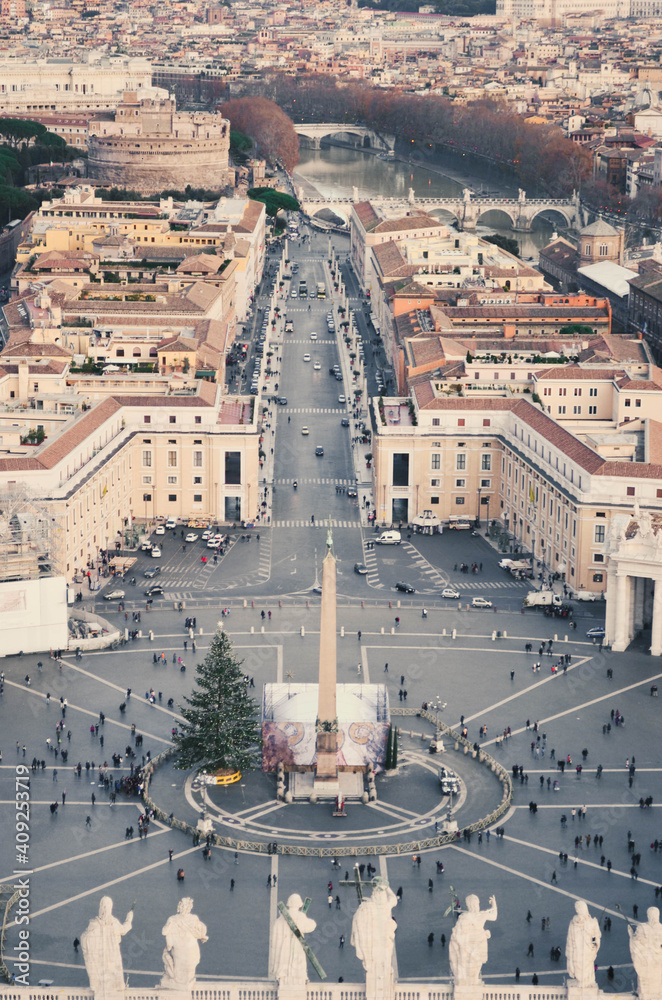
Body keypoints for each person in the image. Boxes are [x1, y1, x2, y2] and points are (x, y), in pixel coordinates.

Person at [351, 880, 398, 1000]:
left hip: (374, 945)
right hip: (382, 944)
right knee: (384, 964)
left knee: (377, 966)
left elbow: (358, 923)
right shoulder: (384, 906)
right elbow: (393, 898)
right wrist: (387, 887)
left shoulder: (367, 907)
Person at [81, 897, 133, 994]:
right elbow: (124, 929)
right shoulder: (114, 923)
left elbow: (85, 939)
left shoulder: (94, 924)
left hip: (100, 959)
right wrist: (129, 919)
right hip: (113, 958)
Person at [449, 894, 498, 986]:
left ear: (468, 905)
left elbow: (458, 932)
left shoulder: (464, 916)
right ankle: (473, 981)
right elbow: (494, 916)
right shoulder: (482, 915)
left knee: (465, 963)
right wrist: (494, 904)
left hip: (467, 943)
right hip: (479, 941)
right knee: (477, 963)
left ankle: (465, 981)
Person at [160, 898, 208, 990]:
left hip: (190, 947)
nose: (182, 908)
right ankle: (179, 982)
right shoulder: (172, 919)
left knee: (189, 966)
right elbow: (164, 931)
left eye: (184, 906)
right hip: (179, 947)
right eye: (181, 905)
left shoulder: (193, 918)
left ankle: (184, 981)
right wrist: (169, 926)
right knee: (179, 967)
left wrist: (202, 933)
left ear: (189, 907)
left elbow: (201, 928)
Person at [272, 894, 317, 986]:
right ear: (299, 904)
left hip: (285, 945)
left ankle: (283, 976)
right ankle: (299, 977)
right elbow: (310, 926)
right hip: (297, 943)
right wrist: (312, 922)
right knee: (298, 961)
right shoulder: (300, 916)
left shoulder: (281, 918)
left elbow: (276, 927)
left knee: (285, 959)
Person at [629, 907, 662, 999]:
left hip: (646, 960)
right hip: (658, 961)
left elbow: (636, 942)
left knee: (646, 980)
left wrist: (631, 935)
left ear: (648, 916)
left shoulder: (642, 927)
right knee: (657, 980)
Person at [566, 901, 601, 987]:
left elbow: (597, 935)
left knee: (587, 969)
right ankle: (580, 981)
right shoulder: (573, 923)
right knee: (578, 968)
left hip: (587, 951)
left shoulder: (592, 922)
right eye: (576, 909)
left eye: (579, 908)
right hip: (577, 952)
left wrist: (595, 941)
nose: (577, 910)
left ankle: (586, 982)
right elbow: (569, 940)